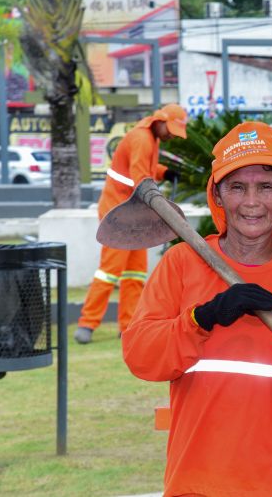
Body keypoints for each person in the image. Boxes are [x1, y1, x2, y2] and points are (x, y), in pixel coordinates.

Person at [122, 121, 272, 496]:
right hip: (197, 481)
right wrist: (203, 318)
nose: (251, 202)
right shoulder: (182, 263)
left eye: (266, 187)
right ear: (217, 194)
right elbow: (141, 357)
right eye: (237, 187)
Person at [74, 103, 188, 344]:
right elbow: (139, 176)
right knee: (109, 272)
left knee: (135, 273)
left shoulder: (149, 138)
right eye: (171, 130)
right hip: (118, 215)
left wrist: (164, 172)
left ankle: (128, 325)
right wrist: (158, 201)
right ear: (160, 120)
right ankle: (87, 324)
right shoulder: (142, 139)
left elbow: (144, 168)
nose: (170, 136)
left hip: (132, 214)